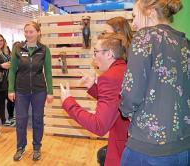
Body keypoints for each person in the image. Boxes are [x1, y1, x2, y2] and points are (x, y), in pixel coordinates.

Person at [120, 0, 190, 165]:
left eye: (135, 16)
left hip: (148, 147)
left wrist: (126, 110)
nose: (134, 24)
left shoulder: (145, 37)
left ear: (150, 12)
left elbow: (131, 94)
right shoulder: (184, 43)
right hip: (183, 146)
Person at [60, 33, 130, 166]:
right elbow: (117, 102)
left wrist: (68, 102)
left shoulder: (109, 77)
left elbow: (99, 126)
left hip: (123, 147)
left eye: (96, 52)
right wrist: (93, 87)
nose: (93, 58)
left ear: (109, 54)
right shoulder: (124, 69)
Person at [8, 21, 53, 161]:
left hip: (39, 91)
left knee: (38, 119)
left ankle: (36, 147)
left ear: (38, 33)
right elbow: (12, 71)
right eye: (26, 31)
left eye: (31, 31)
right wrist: (10, 89)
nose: (28, 34)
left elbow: (48, 72)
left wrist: (50, 91)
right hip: (21, 91)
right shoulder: (17, 48)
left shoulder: (44, 50)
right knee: (21, 120)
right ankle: (20, 147)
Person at [96, 16, 133, 166]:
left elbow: (99, 125)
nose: (103, 36)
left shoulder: (129, 62)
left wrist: (69, 103)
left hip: (126, 131)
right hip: (120, 128)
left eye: (106, 33)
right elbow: (115, 97)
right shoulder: (122, 63)